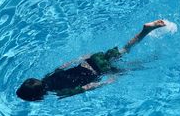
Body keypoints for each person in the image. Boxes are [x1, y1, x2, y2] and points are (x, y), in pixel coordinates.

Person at [16, 20, 166, 101]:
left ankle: (153, 58)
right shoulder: (48, 76)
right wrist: (82, 57)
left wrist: (106, 82)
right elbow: (65, 65)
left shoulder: (60, 93)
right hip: (92, 61)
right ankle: (144, 31)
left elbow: (87, 87)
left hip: (100, 70)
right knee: (124, 50)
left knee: (128, 69)